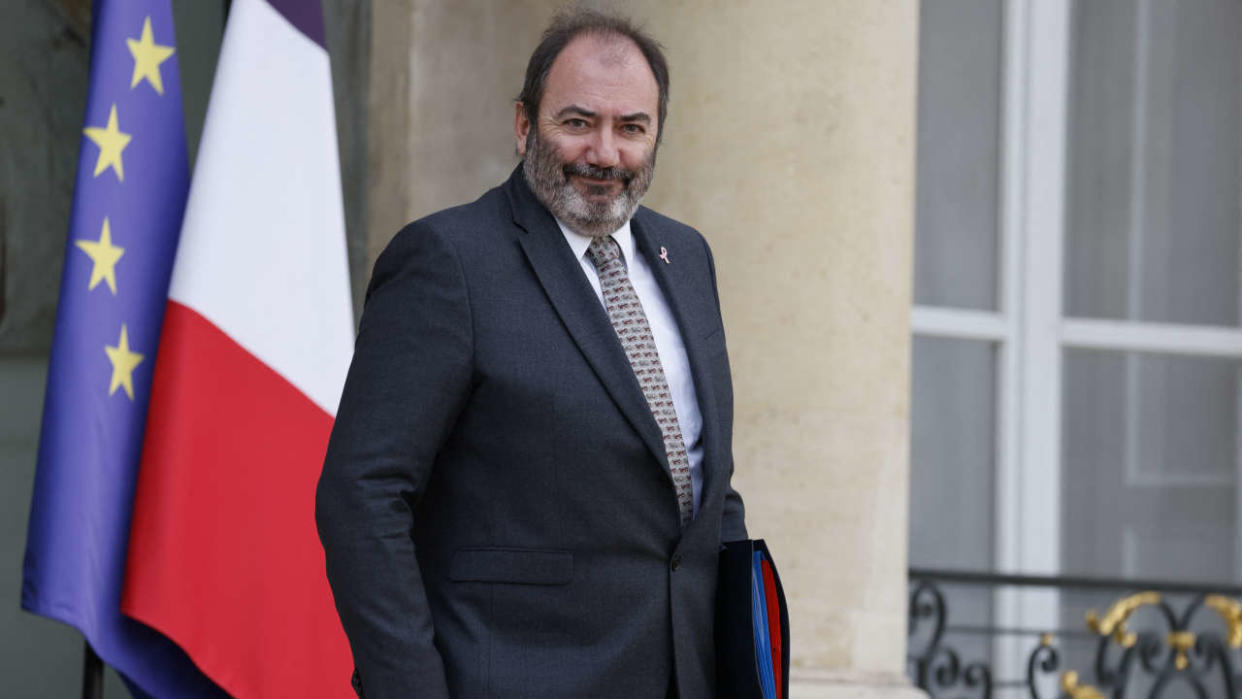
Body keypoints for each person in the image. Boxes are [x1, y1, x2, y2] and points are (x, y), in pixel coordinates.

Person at [316, 9, 747, 698]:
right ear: (524, 126)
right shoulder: (449, 262)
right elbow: (361, 496)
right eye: (578, 122)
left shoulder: (687, 258)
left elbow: (702, 482)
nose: (605, 153)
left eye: (631, 128)